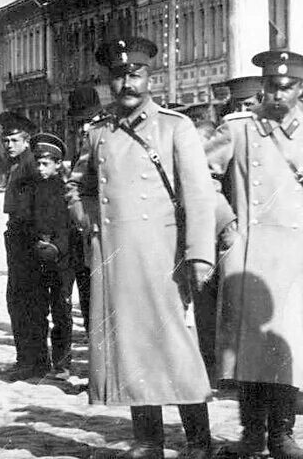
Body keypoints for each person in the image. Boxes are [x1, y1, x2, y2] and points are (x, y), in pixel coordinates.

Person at [67, 37, 214, 459]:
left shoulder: (175, 127)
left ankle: (199, 441)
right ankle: (148, 439)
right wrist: (87, 218)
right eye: (119, 76)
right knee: (131, 345)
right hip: (116, 257)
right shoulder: (98, 132)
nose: (127, 83)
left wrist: (199, 254)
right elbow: (78, 186)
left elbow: (199, 195)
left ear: (149, 75)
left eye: (135, 74)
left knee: (174, 346)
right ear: (107, 81)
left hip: (162, 256)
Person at [205, 51, 303, 459]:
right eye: (273, 86)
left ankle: (282, 432)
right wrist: (225, 224)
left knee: (288, 345)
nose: (279, 94)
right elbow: (201, 177)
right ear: (262, 86)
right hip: (250, 249)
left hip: (297, 253)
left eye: (289, 86)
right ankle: (251, 433)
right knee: (249, 351)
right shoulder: (239, 128)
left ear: (301, 89)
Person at [0, 111, 45, 381]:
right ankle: (27, 359)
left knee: (27, 301)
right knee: (19, 300)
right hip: (17, 235)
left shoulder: (29, 166)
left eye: (14, 140)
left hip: (26, 238)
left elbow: (36, 206)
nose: (9, 145)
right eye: (6, 140)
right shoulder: (17, 165)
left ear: (27, 142)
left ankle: (32, 361)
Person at [29, 133, 74, 381]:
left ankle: (62, 364)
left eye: (45, 163)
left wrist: (57, 248)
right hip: (38, 256)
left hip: (60, 260)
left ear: (58, 164)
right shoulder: (33, 188)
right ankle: (40, 362)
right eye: (37, 163)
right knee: (38, 310)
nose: (40, 167)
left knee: (61, 312)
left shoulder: (64, 189)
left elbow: (67, 226)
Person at [66, 85, 102, 332]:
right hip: (85, 230)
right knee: (87, 289)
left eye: (88, 121)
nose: (83, 127)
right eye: (79, 122)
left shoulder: (105, 138)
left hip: (104, 228)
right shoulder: (83, 141)